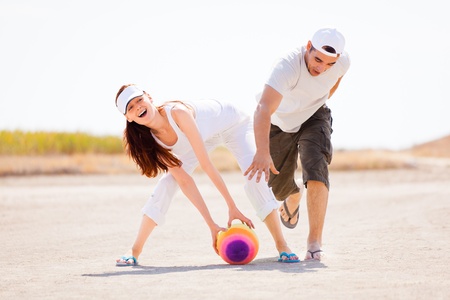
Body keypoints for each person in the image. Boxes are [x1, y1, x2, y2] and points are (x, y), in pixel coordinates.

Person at [115, 84, 300, 266]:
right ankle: (135, 250)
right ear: (128, 117)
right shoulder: (149, 140)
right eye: (130, 107)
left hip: (235, 124)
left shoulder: (178, 113)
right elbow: (185, 182)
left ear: (149, 97)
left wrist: (232, 207)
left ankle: (281, 244)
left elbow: (206, 165)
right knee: (168, 182)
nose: (137, 107)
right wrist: (212, 224)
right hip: (205, 137)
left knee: (255, 176)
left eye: (139, 100)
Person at [244, 28, 351, 261]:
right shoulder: (287, 66)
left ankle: (314, 241)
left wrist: (316, 101)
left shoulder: (343, 64)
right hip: (279, 122)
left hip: (314, 116)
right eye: (317, 59)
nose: (321, 68)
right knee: (278, 186)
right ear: (309, 46)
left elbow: (332, 84)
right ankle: (293, 197)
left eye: (329, 64)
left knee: (316, 164)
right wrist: (262, 152)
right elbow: (263, 108)